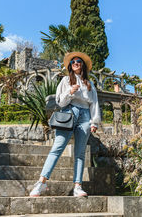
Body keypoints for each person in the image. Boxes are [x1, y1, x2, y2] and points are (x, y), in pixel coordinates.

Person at [30, 51, 101, 197]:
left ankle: (77, 186)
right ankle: (42, 182)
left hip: (85, 116)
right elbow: (59, 101)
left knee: (80, 153)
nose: (76, 63)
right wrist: (70, 92)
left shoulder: (90, 84)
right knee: (57, 148)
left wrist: (94, 122)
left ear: (83, 65)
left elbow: (94, 103)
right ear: (70, 65)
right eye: (73, 61)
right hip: (68, 113)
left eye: (79, 61)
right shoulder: (65, 81)